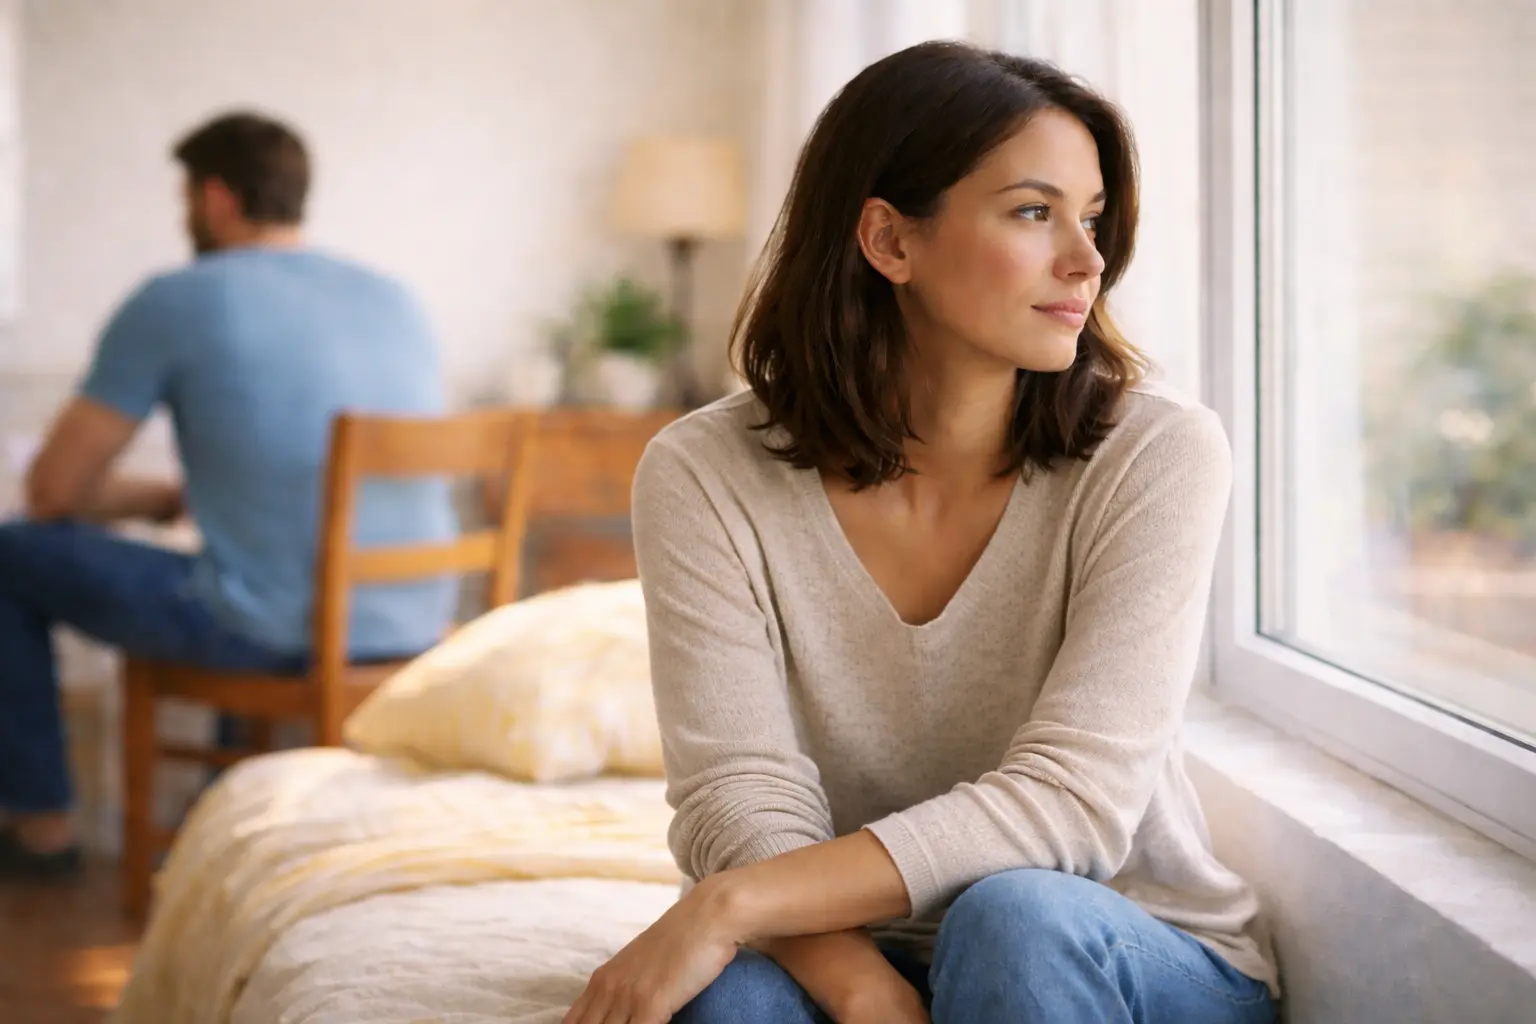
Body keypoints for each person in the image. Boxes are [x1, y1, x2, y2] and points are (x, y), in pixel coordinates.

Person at [563, 42, 1279, 1024]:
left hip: (1117, 942)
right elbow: (740, 794)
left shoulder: (1157, 454)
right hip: (855, 945)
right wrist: (864, 990)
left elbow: (1073, 804)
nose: (1087, 259)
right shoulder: (703, 473)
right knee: (723, 1004)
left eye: (1094, 217)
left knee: (1012, 921)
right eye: (1035, 212)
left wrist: (728, 903)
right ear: (890, 242)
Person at [0, 112, 455, 875]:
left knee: (11, 551)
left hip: (280, 630)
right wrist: (178, 497)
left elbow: (52, 490)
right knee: (245, 568)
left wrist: (147, 501)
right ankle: (224, 805)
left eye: (184, 197)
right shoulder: (394, 298)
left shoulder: (178, 298)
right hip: (414, 621)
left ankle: (42, 827)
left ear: (214, 197)